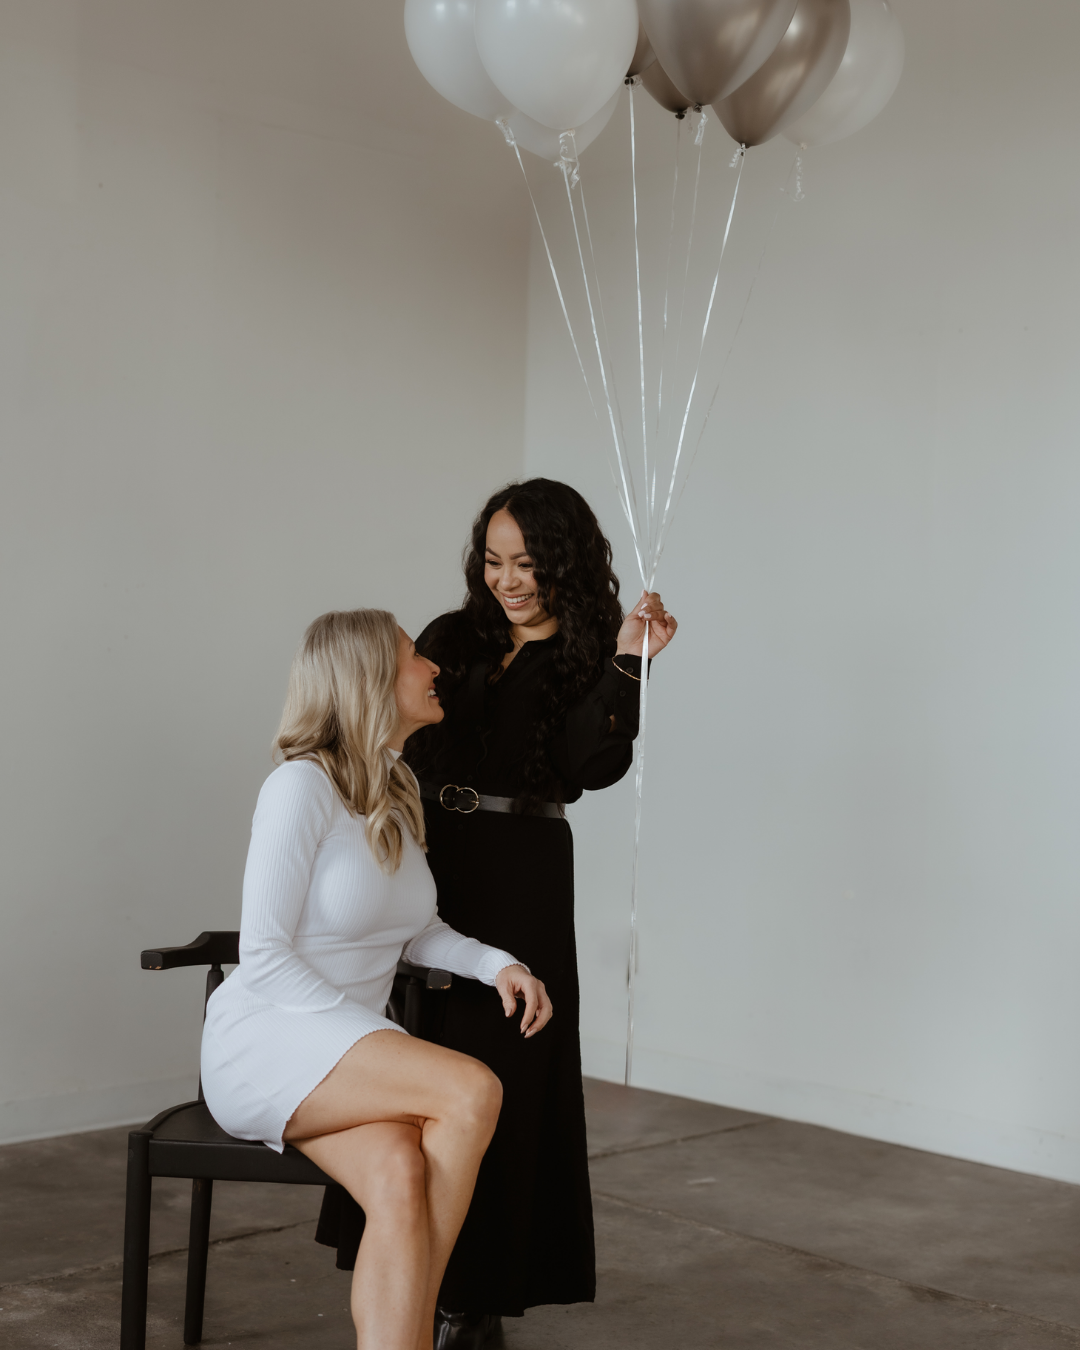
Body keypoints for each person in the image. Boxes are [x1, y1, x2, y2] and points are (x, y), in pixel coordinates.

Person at [316, 479, 677, 1348]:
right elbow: (395, 735)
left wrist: (632, 658)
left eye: (526, 563)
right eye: (494, 560)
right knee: (417, 1049)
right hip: (429, 852)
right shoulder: (451, 637)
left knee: (503, 1069)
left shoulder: (592, 652)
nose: (508, 579)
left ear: (562, 563)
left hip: (523, 873)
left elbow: (592, 767)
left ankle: (473, 1300)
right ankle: (406, 1267)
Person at [200, 609, 553, 1350]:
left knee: (400, 1179)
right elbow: (263, 954)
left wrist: (499, 964)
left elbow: (414, 931)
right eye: (413, 657)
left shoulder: (395, 783)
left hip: (346, 1056)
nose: (434, 668)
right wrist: (373, 1036)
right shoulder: (299, 789)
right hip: (266, 1046)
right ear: (369, 680)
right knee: (473, 1088)